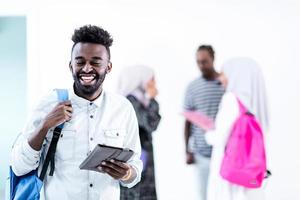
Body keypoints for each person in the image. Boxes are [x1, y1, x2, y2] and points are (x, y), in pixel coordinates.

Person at [10, 25, 142, 200]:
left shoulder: (123, 108)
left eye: (96, 62)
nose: (87, 68)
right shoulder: (48, 104)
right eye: (80, 61)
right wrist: (44, 126)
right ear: (71, 65)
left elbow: (135, 170)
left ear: (108, 67)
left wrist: (127, 174)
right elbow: (19, 166)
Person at [205, 57, 269, 200]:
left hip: (230, 175)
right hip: (250, 175)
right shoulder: (256, 103)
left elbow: (219, 137)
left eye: (224, 73)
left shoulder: (231, 100)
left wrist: (208, 133)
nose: (221, 78)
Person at [183, 45, 225, 200]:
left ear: (213, 59)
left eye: (205, 62)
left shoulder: (225, 84)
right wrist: (187, 150)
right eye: (198, 62)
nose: (202, 66)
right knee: (203, 196)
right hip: (201, 153)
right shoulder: (193, 87)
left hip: (224, 152)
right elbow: (187, 122)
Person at [118, 65, 161, 200]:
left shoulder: (139, 100)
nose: (154, 83)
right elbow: (151, 123)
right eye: (151, 79)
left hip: (142, 156)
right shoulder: (131, 101)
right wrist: (152, 99)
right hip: (137, 157)